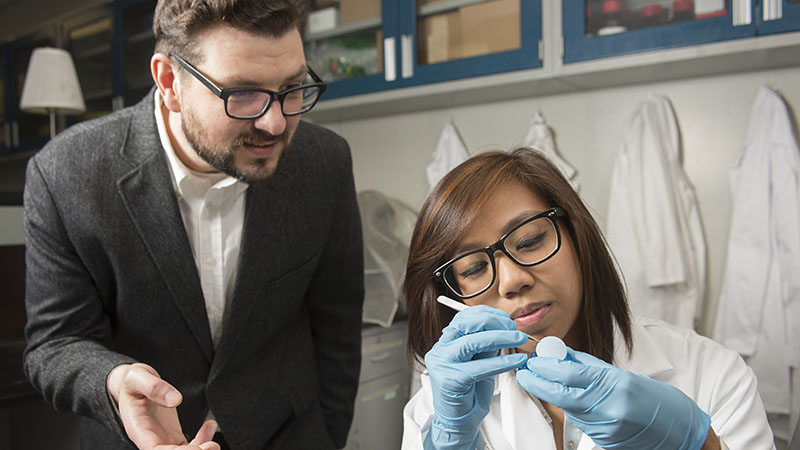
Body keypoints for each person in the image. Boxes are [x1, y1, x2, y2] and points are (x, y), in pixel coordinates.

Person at [22, 1, 364, 449]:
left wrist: (327, 438)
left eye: (293, 86)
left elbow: (338, 325)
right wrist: (115, 379)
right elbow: (55, 342)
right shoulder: (67, 175)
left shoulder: (325, 163)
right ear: (169, 82)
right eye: (242, 93)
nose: (276, 122)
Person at [401, 148, 775, 449]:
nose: (512, 280)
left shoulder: (714, 375)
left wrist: (701, 444)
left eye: (530, 241)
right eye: (472, 269)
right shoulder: (438, 409)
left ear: (578, 238)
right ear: (455, 294)